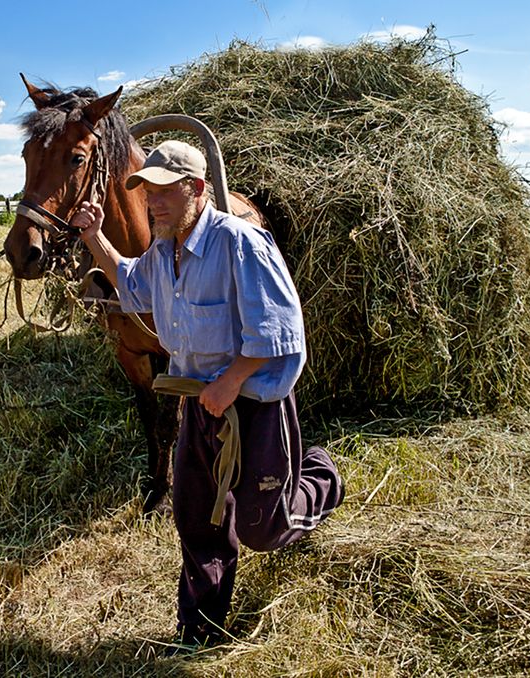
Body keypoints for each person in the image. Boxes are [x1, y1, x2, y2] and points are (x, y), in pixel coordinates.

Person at [71, 140, 344, 651]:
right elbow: (133, 287)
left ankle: (321, 476)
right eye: (146, 193)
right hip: (198, 403)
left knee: (265, 528)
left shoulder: (241, 243)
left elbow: (280, 331)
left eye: (162, 193)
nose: (151, 203)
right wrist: (95, 239)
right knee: (196, 517)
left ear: (196, 189)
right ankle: (198, 630)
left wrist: (230, 381)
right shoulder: (162, 248)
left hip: (253, 405)